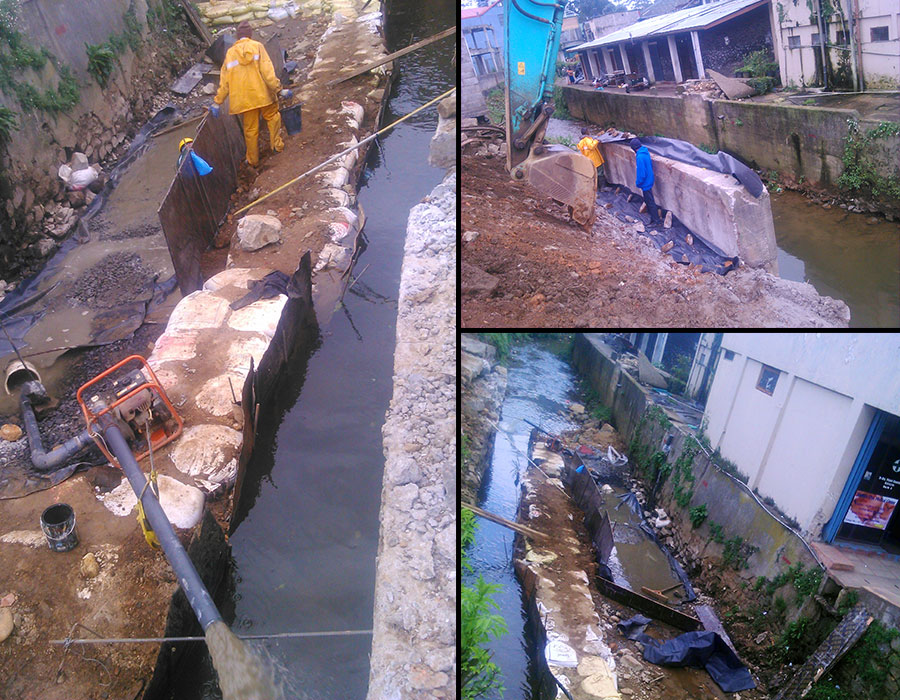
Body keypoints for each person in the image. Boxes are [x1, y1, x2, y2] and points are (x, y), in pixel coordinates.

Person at [210, 21, 289, 168]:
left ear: (237, 37)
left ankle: (252, 160)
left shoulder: (230, 54)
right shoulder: (257, 47)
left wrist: (217, 102)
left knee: (250, 130)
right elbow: (268, 73)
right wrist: (279, 89)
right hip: (263, 95)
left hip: (244, 101)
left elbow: (225, 82)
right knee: (272, 117)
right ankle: (276, 146)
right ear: (250, 34)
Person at [631, 137, 661, 226]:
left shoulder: (639, 157)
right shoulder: (645, 152)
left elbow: (641, 173)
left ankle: (656, 221)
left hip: (645, 183)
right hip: (649, 179)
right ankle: (654, 219)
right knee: (649, 201)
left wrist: (638, 183)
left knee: (650, 202)